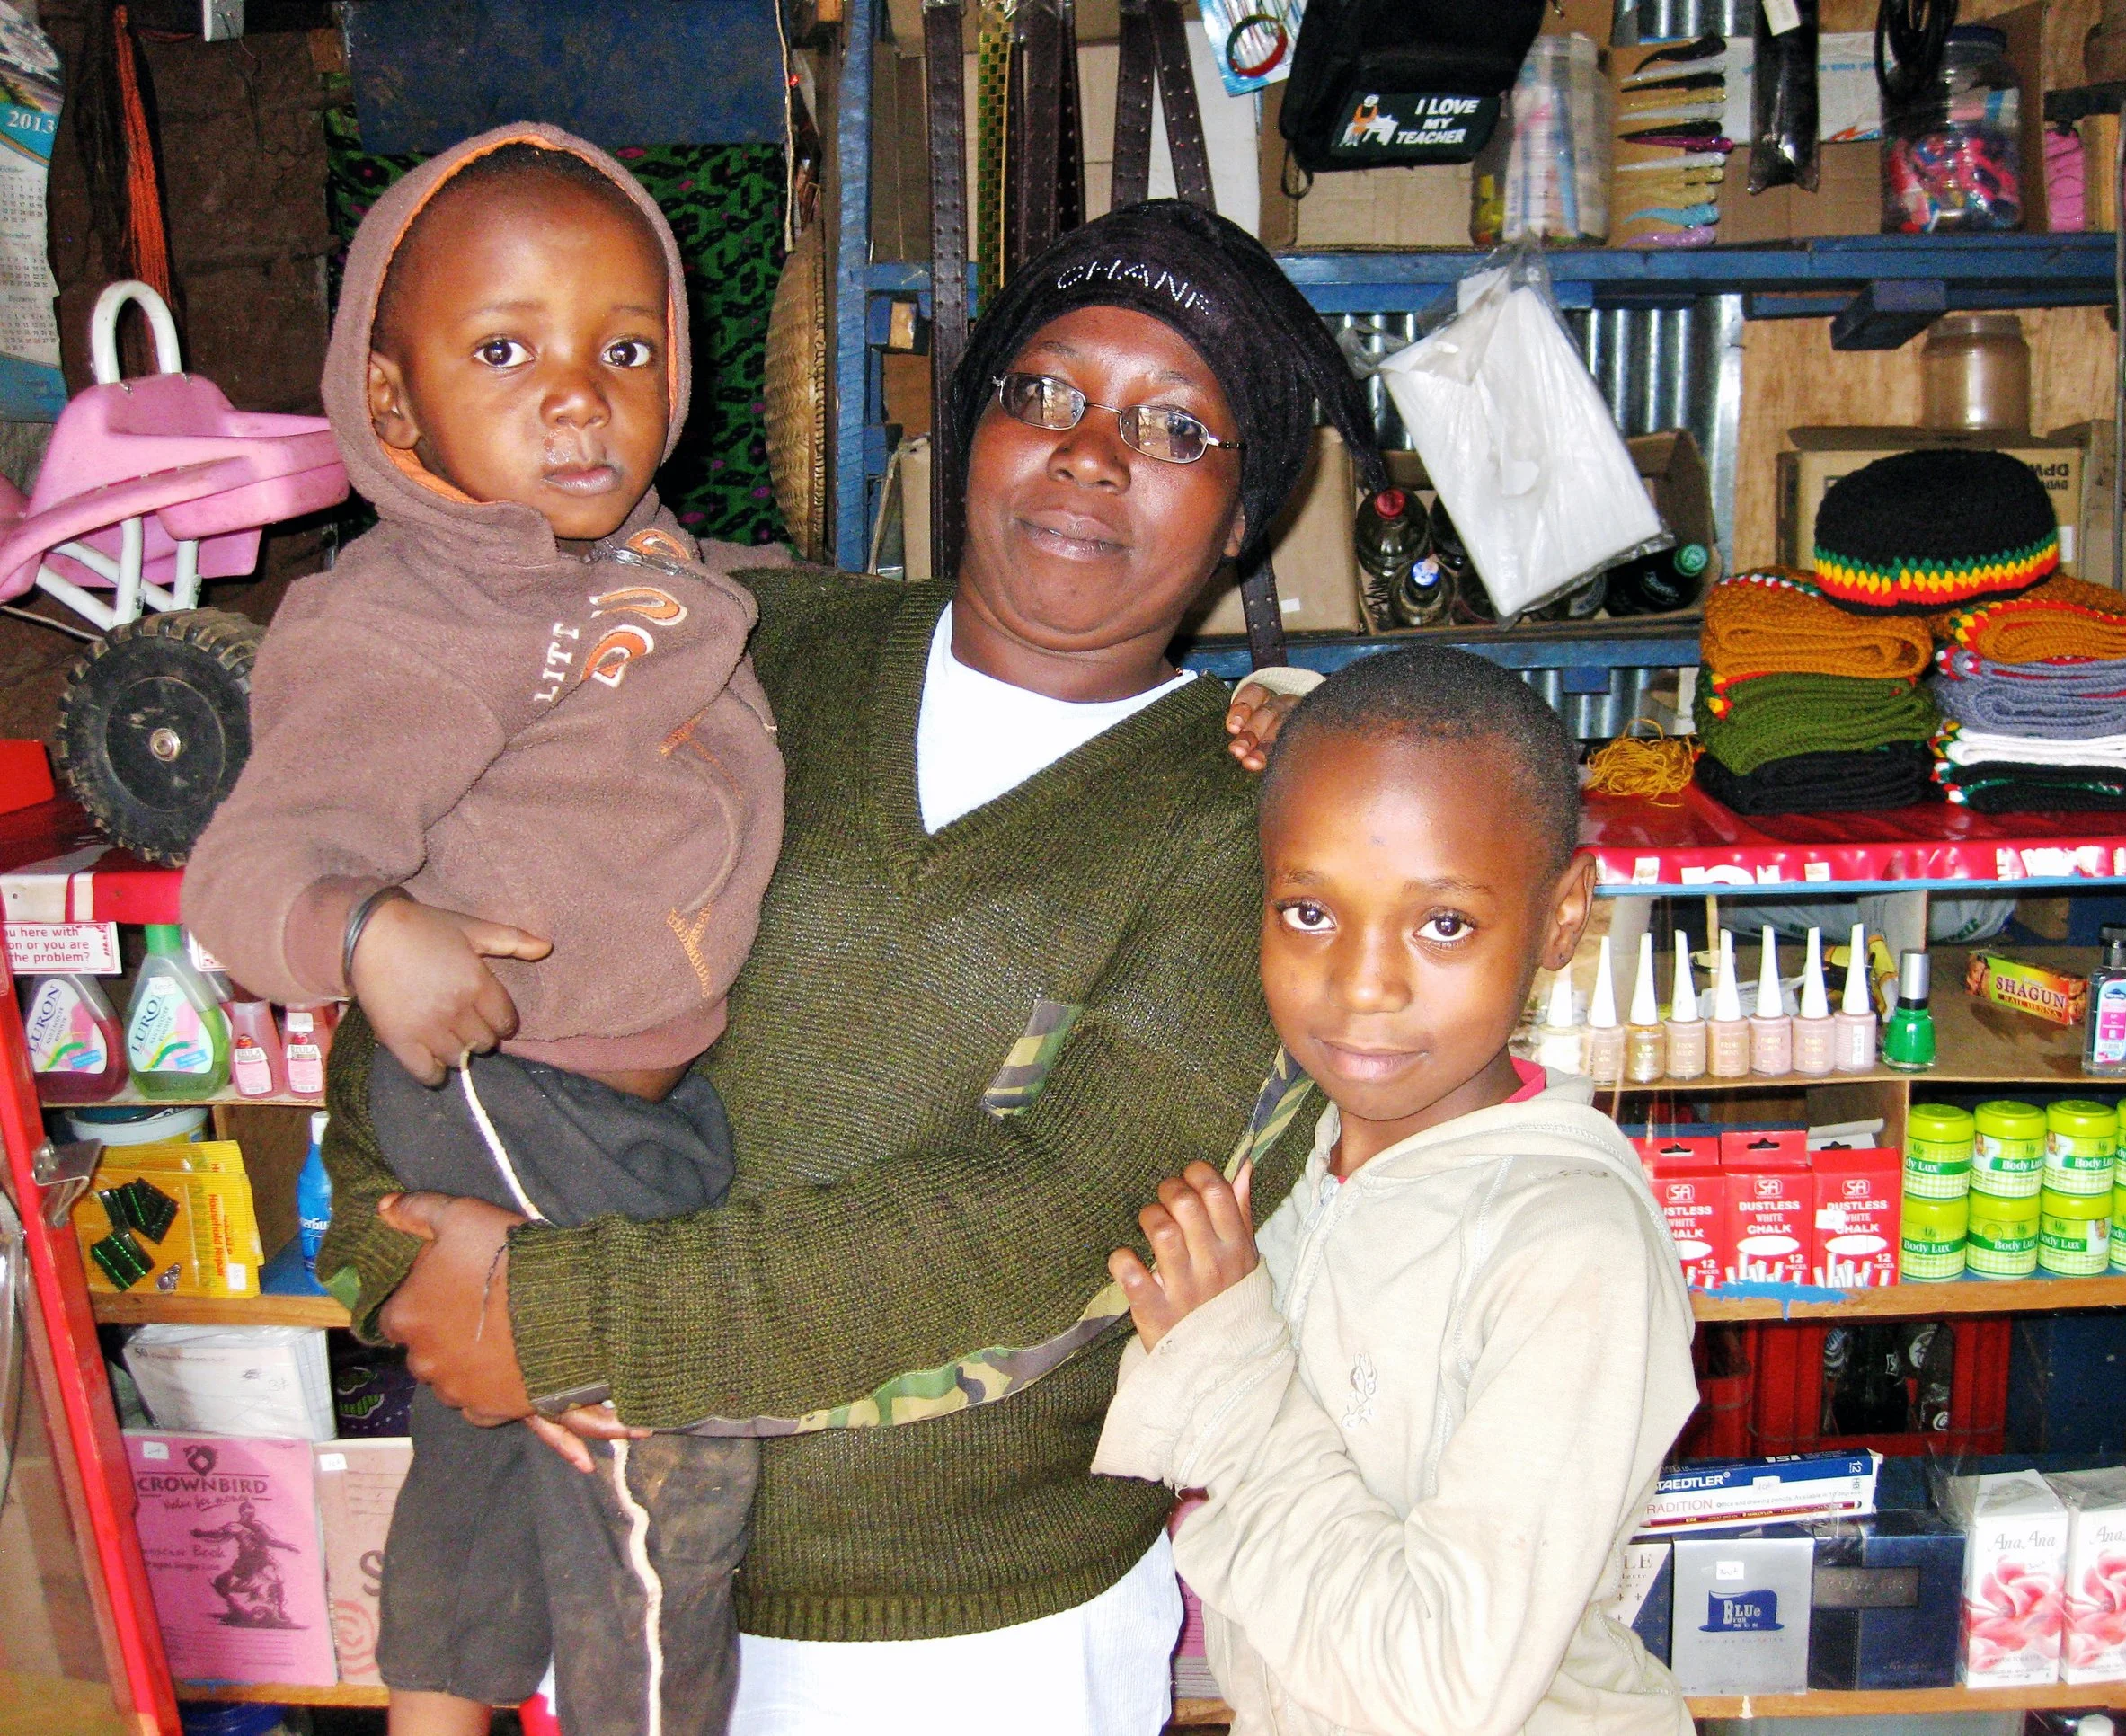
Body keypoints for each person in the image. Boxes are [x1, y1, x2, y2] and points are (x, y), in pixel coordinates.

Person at [310, 199, 1385, 1736]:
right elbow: (441, 927)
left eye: (1175, 429)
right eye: (1043, 393)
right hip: (600, 1576)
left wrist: (559, 1318)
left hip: (970, 1641)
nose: (1090, 453)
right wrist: (401, 1251)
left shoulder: (1256, 822)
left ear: (1240, 519)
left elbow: (1058, 1216)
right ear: (973, 434)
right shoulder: (740, 644)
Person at [180, 125, 785, 1736]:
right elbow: (244, 873)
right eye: (506, 351)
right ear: (394, 406)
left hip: (607, 1090)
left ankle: (434, 1713)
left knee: (492, 1443)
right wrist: (368, 929)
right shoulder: (407, 619)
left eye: (625, 348)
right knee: (657, 1448)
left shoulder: (638, 559)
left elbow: (731, 618)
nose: (578, 397)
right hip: (525, 1080)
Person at [1094, 646, 1699, 1736]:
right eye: (1308, 914)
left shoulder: (1570, 1247)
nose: (1364, 986)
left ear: (1562, 916)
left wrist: (1227, 1371)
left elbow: (1438, 1694)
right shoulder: (1292, 1145)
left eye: (1445, 925)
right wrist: (1299, 719)